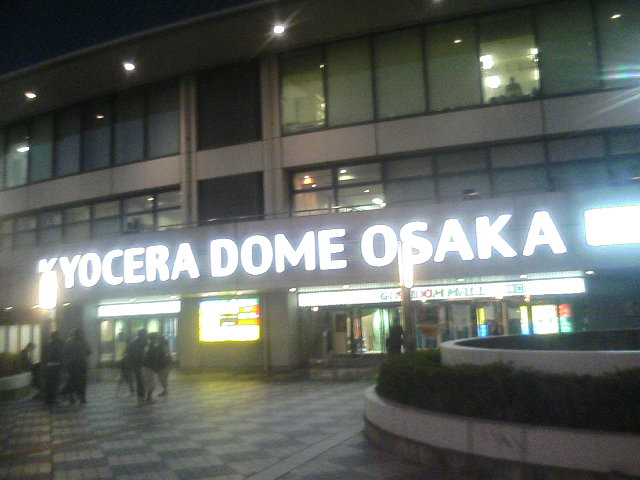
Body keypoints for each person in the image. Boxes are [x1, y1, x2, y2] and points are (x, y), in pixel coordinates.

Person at [62, 329, 92, 404]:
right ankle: (82, 398)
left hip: (72, 364)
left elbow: (65, 353)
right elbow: (89, 352)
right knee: (82, 381)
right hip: (82, 364)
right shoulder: (84, 342)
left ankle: (71, 397)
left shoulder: (68, 342)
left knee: (72, 380)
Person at [42, 331, 64, 405]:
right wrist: (62, 364)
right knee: (54, 383)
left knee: (49, 383)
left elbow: (44, 356)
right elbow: (61, 355)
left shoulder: (48, 345)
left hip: (48, 366)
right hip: (56, 366)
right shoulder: (58, 345)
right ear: (56, 336)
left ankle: (48, 399)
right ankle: (53, 399)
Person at [129, 328, 148, 404]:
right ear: (142, 335)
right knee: (141, 380)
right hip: (140, 364)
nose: (146, 336)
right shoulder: (141, 343)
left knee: (140, 380)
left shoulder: (136, 343)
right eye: (145, 334)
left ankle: (141, 395)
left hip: (137, 364)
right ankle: (141, 396)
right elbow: (141, 354)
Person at [142, 333, 162, 403]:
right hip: (150, 367)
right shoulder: (153, 347)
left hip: (146, 367)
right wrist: (155, 367)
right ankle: (149, 398)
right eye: (156, 338)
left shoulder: (148, 347)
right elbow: (154, 359)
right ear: (154, 339)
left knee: (149, 382)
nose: (157, 340)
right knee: (151, 383)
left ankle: (148, 397)